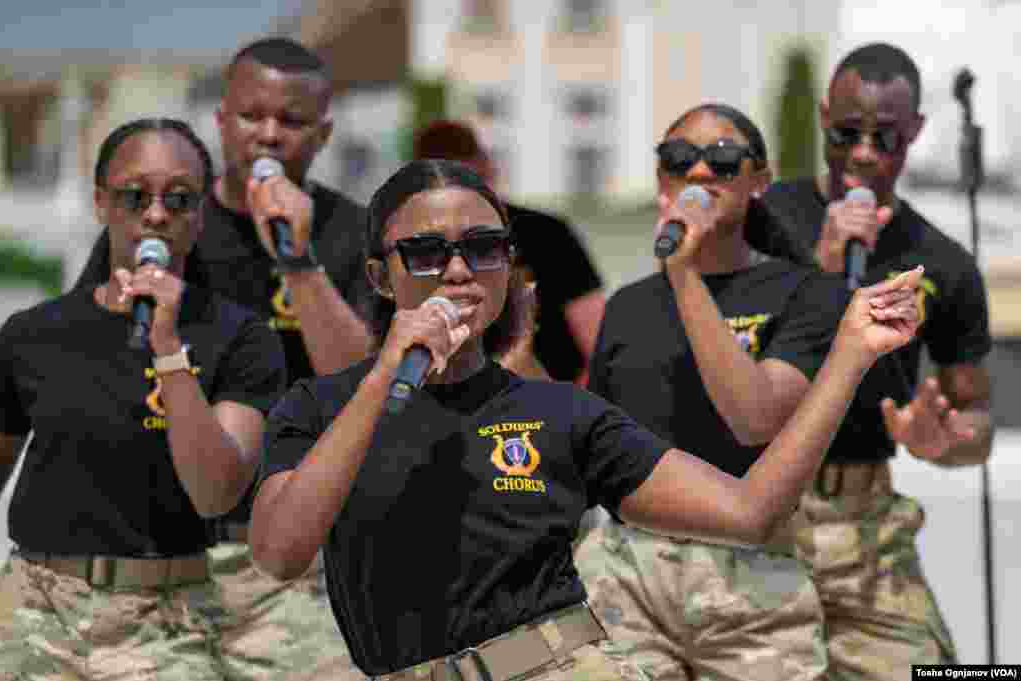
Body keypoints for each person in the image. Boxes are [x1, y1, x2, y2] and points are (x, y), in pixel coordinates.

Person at [248, 158, 924, 680]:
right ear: (378, 275)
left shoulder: (559, 413)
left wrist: (849, 356)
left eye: (483, 247)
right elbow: (279, 552)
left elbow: (750, 510)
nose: (457, 270)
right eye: (425, 253)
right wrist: (383, 377)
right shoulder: (318, 409)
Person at [74, 37, 372, 681]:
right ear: (220, 121)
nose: (268, 136)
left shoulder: (352, 233)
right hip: (163, 554)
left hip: (297, 566)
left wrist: (297, 260)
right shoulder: (162, 227)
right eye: (250, 116)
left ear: (323, 133)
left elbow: (362, 389)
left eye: (291, 122)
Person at [0, 118, 287, 679]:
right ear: (102, 202)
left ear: (199, 216)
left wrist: (170, 350)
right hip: (34, 607)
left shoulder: (241, 338)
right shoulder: (32, 334)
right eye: (135, 195)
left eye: (179, 199)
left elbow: (215, 492)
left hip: (163, 619)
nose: (156, 214)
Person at [572, 103, 847, 681]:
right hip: (626, 574)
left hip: (752, 581)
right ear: (661, 180)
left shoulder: (808, 295)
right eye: (679, 159)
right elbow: (594, 456)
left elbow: (757, 418)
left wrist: (685, 275)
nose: (699, 173)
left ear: (759, 181)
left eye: (722, 160)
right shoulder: (629, 306)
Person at [747, 43, 994, 678]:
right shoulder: (759, 223)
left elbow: (976, 422)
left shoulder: (942, 261)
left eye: (886, 138)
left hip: (865, 528)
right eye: (845, 133)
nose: (862, 153)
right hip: (755, 515)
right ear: (824, 116)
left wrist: (941, 439)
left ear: (914, 134)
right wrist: (821, 272)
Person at [412, 119, 605, 383]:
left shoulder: (545, 234)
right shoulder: (547, 231)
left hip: (544, 399)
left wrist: (573, 412)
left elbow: (597, 348)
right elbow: (597, 344)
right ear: (488, 166)